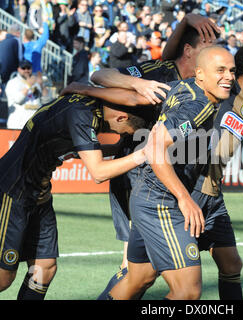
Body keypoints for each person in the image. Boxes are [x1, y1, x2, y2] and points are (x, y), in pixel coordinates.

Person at [0, 85, 161, 299]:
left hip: (39, 195)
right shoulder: (82, 115)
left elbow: (80, 150)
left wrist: (119, 150)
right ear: (122, 118)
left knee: (44, 269)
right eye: (123, 132)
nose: (116, 134)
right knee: (3, 277)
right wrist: (143, 155)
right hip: (11, 192)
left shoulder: (86, 103)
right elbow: (98, 172)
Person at [113, 46, 236, 300]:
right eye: (220, 70)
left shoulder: (185, 86)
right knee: (187, 291)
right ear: (200, 74)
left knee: (138, 279)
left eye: (232, 71)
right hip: (159, 202)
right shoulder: (199, 105)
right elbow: (156, 146)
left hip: (147, 196)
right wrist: (184, 197)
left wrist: (83, 89)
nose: (229, 77)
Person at [5, 60, 48, 129]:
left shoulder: (36, 82)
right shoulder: (12, 82)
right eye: (23, 68)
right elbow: (18, 100)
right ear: (18, 69)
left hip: (35, 126)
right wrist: (28, 85)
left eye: (28, 68)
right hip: (18, 126)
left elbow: (47, 101)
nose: (26, 70)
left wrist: (42, 85)